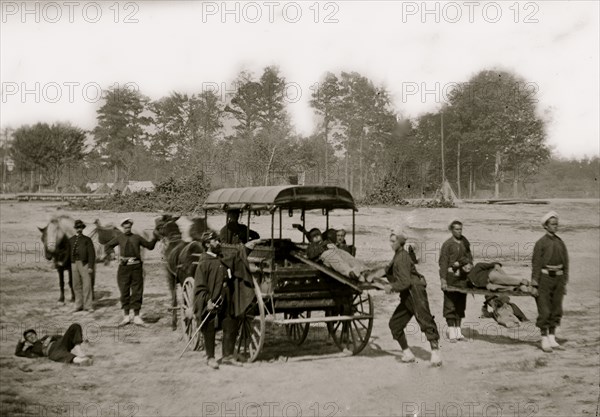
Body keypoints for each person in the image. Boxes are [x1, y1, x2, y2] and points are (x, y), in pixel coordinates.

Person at [384, 227, 442, 367]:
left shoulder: (402, 257)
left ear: (400, 242)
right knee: (395, 324)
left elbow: (405, 282)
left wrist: (392, 287)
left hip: (415, 292)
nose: (391, 243)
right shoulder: (398, 255)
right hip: (407, 295)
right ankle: (407, 354)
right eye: (390, 241)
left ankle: (435, 354)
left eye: (393, 241)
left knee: (425, 319)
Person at [194, 231, 241, 369]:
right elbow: (200, 285)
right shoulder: (203, 263)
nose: (218, 243)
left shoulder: (222, 259)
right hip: (212, 299)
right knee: (209, 326)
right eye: (215, 241)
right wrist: (207, 301)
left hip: (226, 296)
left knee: (230, 322)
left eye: (218, 240)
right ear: (207, 244)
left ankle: (227, 355)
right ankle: (210, 357)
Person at [105, 218, 159, 327]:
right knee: (124, 291)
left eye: (129, 227)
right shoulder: (119, 238)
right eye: (125, 227)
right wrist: (112, 255)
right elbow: (108, 246)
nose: (127, 229)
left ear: (131, 227)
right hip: (123, 268)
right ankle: (126, 317)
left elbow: (149, 246)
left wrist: (155, 238)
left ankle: (137, 317)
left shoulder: (137, 238)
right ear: (122, 228)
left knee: (137, 291)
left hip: (136, 268)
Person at [531, 211, 569, 353]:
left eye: (556, 224)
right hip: (544, 279)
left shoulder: (560, 243)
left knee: (556, 309)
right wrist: (534, 284)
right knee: (545, 310)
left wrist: (564, 282)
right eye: (552, 224)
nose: (555, 226)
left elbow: (566, 264)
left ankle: (552, 337)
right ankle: (544, 338)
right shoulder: (540, 243)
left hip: (558, 280)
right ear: (546, 226)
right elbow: (536, 264)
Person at [439, 220, 472, 342]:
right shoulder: (447, 244)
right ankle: (451, 333)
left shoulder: (465, 241)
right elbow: (442, 263)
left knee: (460, 305)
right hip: (451, 278)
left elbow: (469, 256)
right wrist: (443, 280)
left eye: (460, 229)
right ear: (452, 230)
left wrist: (468, 265)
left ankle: (459, 333)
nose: (459, 231)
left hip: (463, 278)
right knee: (450, 305)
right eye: (457, 229)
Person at [305, 228, 380, 282]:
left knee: (346, 255)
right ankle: (350, 273)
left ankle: (363, 270)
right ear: (311, 239)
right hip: (325, 257)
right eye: (314, 236)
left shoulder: (326, 241)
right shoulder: (311, 246)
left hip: (335, 251)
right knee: (336, 261)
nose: (316, 237)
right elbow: (311, 255)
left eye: (318, 234)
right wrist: (323, 248)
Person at [15, 325, 92, 366]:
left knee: (75, 326)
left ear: (36, 335)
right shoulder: (30, 349)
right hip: (51, 351)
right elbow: (18, 353)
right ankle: (80, 360)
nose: (31, 337)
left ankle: (79, 352)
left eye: (32, 334)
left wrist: (79, 339)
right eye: (28, 337)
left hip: (61, 343)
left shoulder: (46, 337)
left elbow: (62, 337)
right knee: (60, 355)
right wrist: (21, 342)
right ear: (27, 341)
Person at [69, 220, 96, 313]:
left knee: (87, 285)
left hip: (85, 264)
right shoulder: (71, 240)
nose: (79, 229)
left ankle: (88, 306)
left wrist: (90, 266)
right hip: (73, 264)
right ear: (75, 229)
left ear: (83, 228)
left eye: (80, 227)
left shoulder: (87, 240)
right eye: (77, 227)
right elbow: (67, 253)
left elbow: (92, 254)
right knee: (76, 285)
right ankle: (78, 305)